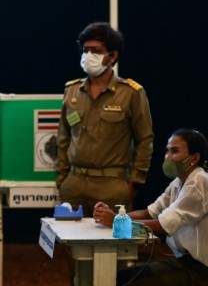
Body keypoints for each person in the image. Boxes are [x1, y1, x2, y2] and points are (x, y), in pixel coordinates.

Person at [56, 22, 154, 216]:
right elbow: (63, 138)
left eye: (96, 51)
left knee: (111, 243)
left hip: (112, 186)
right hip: (73, 184)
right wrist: (62, 179)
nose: (88, 56)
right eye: (85, 50)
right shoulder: (72, 90)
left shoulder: (131, 93)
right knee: (70, 244)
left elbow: (145, 139)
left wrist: (134, 183)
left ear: (112, 56)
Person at [94, 128, 208, 286]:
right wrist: (117, 216)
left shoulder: (199, 181)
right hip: (183, 262)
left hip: (201, 271)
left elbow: (163, 225)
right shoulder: (178, 182)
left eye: (174, 151)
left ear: (194, 158)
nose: (168, 157)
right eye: (167, 151)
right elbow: (149, 212)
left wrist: (116, 221)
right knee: (119, 278)